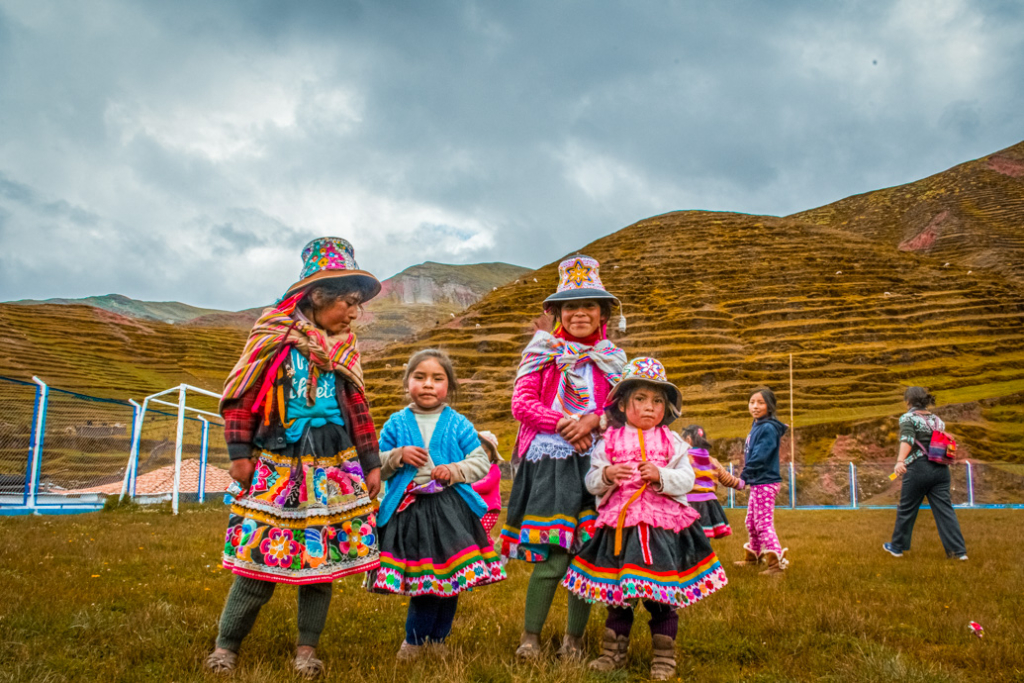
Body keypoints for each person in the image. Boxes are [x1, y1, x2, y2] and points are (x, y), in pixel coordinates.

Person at [207, 237, 383, 678]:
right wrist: (239, 453)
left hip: (332, 467)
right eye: (347, 302)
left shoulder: (344, 347)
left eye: (357, 304)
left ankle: (307, 652)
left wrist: (372, 461)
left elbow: (357, 409)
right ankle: (226, 646)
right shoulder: (274, 337)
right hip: (276, 464)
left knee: (319, 566)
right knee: (257, 561)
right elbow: (242, 397)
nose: (353, 312)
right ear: (318, 296)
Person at [562, 358, 727, 680]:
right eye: (640, 399)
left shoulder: (672, 442)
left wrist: (661, 475)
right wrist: (608, 474)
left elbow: (687, 479)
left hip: (661, 528)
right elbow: (592, 482)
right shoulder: (607, 443)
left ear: (666, 408)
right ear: (622, 404)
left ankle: (664, 658)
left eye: (657, 401)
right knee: (618, 595)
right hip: (619, 529)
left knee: (661, 595)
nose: (649, 407)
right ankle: (613, 652)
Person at [500, 255, 628, 660]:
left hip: (596, 465)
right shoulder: (542, 350)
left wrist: (593, 420)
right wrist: (565, 424)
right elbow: (522, 404)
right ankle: (530, 638)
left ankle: (574, 639)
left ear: (602, 313)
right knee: (553, 554)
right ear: (557, 312)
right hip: (551, 464)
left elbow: (619, 411)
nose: (579, 313)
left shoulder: (613, 360)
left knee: (585, 552)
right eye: (570, 306)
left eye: (589, 305)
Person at [372, 349, 506, 660]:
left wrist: (455, 471)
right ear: (408, 383)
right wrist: (397, 456)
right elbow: (376, 464)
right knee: (427, 580)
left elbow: (479, 462)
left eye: (437, 378)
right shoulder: (395, 424)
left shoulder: (458, 424)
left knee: (454, 578)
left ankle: (438, 640)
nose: (428, 384)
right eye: (420, 377)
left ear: (449, 386)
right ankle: (414, 642)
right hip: (412, 512)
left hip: (451, 510)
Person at [883, 387, 967, 560]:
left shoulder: (908, 418)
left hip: (918, 469)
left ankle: (897, 547)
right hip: (941, 469)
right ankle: (958, 552)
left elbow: (907, 439)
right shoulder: (938, 420)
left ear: (909, 401)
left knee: (907, 509)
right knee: (945, 511)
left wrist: (900, 461)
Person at [733, 387, 790, 576]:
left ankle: (776, 565)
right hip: (758, 482)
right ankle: (753, 558)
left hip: (765, 482)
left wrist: (744, 477)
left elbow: (759, 457)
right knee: (751, 522)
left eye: (760, 402)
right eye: (752, 402)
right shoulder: (757, 425)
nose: (755, 406)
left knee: (763, 523)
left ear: (770, 406)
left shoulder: (767, 428)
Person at [681, 425, 745, 538]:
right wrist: (741, 483)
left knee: (687, 538)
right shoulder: (712, 461)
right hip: (708, 506)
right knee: (704, 537)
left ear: (688, 440)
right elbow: (727, 479)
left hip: (688, 504)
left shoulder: (684, 460)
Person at [474, 431, 505, 535]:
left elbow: (486, 485)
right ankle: (487, 548)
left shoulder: (493, 469)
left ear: (492, 455)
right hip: (477, 509)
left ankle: (487, 549)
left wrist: (467, 486)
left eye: (485, 452)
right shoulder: (473, 470)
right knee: (478, 535)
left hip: (489, 510)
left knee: (479, 534)